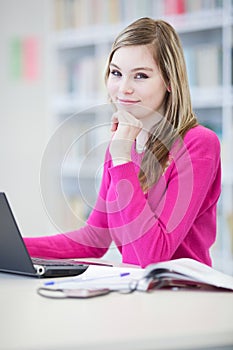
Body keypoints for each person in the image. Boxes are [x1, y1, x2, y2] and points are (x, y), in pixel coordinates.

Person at [24, 17, 221, 268]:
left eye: (140, 76)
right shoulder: (121, 147)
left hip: (181, 294)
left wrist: (121, 160)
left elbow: (151, 256)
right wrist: (16, 246)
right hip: (137, 294)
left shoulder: (198, 144)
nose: (123, 88)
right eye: (116, 73)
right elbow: (93, 239)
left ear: (170, 81)